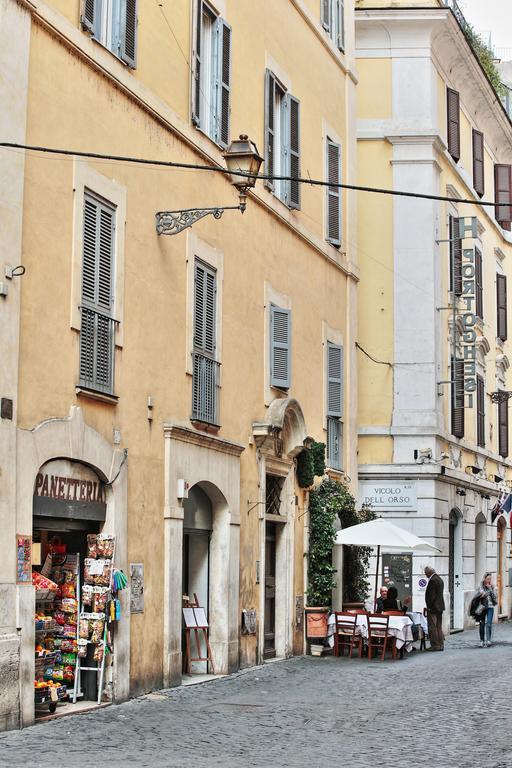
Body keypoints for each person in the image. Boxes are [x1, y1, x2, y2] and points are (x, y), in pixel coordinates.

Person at [424, 566, 445, 651]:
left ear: (429, 572)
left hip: (433, 607)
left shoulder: (432, 581)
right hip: (440, 606)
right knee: (439, 626)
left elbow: (431, 596)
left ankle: (435, 645)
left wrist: (429, 606)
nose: (425, 575)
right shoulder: (439, 579)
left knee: (433, 627)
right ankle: (441, 644)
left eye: (425, 573)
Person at [475, 573, 498, 648]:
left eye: (490, 579)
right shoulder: (480, 585)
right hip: (482, 607)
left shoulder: (493, 586)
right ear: (484, 579)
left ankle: (488, 640)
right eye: (488, 579)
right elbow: (480, 594)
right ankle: (482, 641)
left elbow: (495, 597)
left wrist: (490, 589)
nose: (489, 580)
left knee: (489, 624)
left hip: (490, 607)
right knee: (482, 623)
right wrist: (483, 593)